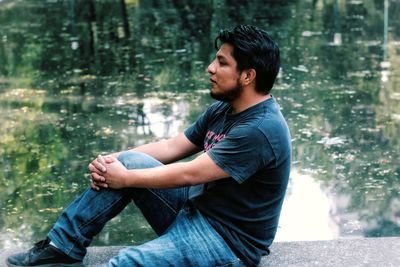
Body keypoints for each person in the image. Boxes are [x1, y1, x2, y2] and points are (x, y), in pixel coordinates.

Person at [7, 24, 291, 267]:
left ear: (248, 76)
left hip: (227, 242)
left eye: (222, 62)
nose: (211, 68)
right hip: (196, 210)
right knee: (127, 161)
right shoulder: (224, 109)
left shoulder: (261, 129)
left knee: (125, 264)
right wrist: (109, 162)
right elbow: (170, 147)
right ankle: (61, 248)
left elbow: (190, 173)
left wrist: (126, 179)